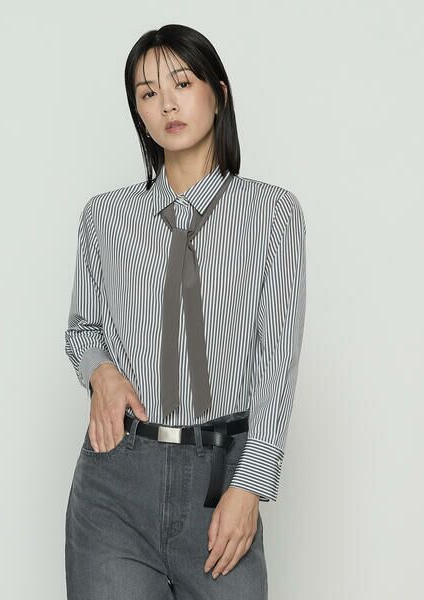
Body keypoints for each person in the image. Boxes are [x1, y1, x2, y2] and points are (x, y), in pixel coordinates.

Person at [64, 23, 306, 600]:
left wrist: (251, 485)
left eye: (181, 83)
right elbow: (82, 328)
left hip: (221, 475)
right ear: (139, 114)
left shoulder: (273, 215)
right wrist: (101, 373)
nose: (167, 103)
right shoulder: (105, 218)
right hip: (115, 479)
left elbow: (277, 365)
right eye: (148, 93)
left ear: (218, 94)